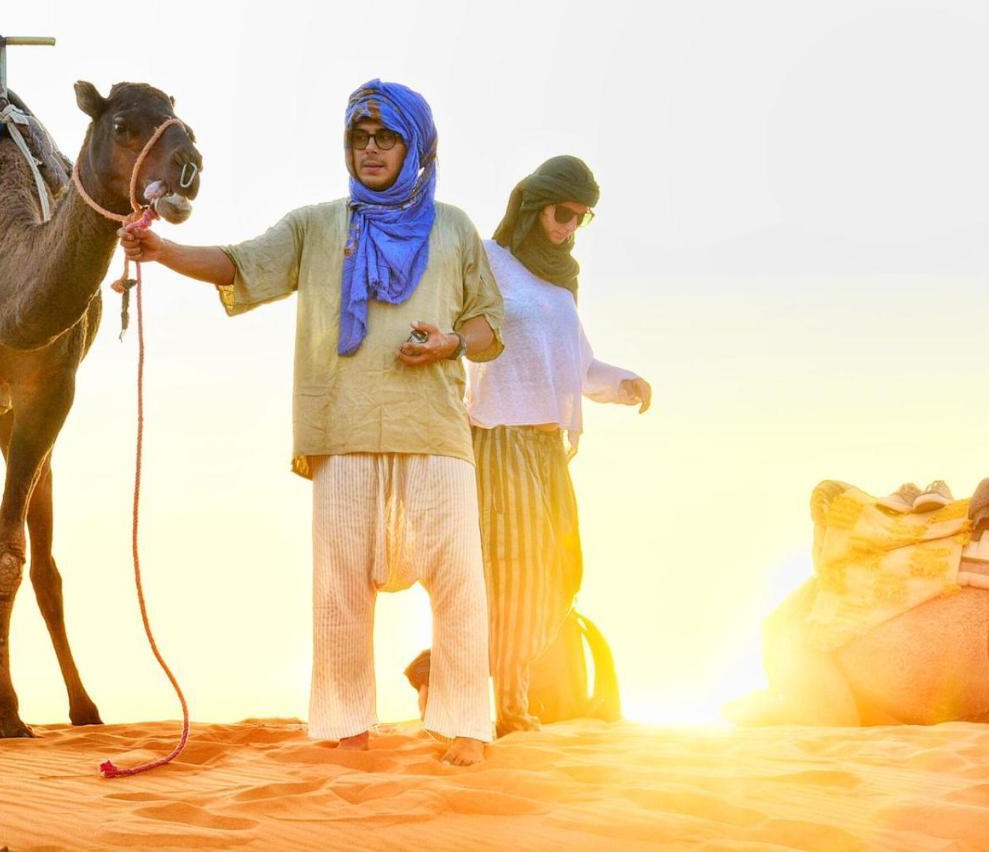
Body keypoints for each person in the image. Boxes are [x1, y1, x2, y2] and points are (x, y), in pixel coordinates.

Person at [119, 80, 502, 765]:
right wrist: (165, 254)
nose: (372, 150)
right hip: (341, 426)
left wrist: (450, 342)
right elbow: (241, 264)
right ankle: (345, 726)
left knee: (460, 582)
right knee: (339, 590)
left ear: (416, 145)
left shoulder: (455, 229)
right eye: (360, 137)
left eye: (387, 137)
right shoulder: (315, 225)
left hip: (437, 429)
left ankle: (465, 727)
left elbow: (489, 325)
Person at [467, 155, 651, 737]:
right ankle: (506, 706)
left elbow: (578, 364)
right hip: (498, 436)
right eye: (564, 212)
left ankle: (501, 686)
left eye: (583, 218)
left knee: (561, 572)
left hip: (549, 446)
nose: (570, 227)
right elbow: (456, 336)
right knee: (514, 570)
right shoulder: (485, 262)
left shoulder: (560, 282)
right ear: (534, 204)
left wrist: (624, 384)